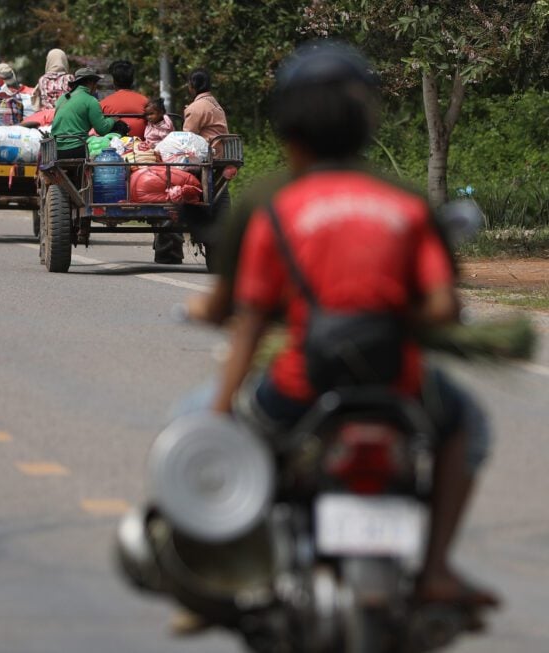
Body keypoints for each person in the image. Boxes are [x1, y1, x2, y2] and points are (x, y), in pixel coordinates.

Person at [188, 41, 497, 609]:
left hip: (303, 381)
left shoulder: (274, 206)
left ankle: (234, 576)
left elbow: (251, 322)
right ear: (367, 121)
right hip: (397, 382)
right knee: (466, 426)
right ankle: (434, 571)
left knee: (214, 432)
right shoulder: (404, 204)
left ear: (287, 127)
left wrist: (218, 411)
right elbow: (444, 309)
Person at [155, 69, 233, 264]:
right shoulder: (215, 104)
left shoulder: (197, 108)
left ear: (192, 85)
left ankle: (168, 246)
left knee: (165, 180)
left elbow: (186, 139)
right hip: (215, 158)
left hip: (201, 160)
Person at [50, 68, 129, 161]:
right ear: (90, 82)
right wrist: (113, 119)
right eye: (96, 84)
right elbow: (102, 130)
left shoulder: (62, 98)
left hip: (54, 149)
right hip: (76, 149)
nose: (96, 87)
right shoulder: (91, 101)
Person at [99, 60, 148, 138]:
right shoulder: (145, 101)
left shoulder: (103, 104)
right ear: (132, 80)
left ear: (114, 81)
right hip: (141, 147)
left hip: (112, 147)